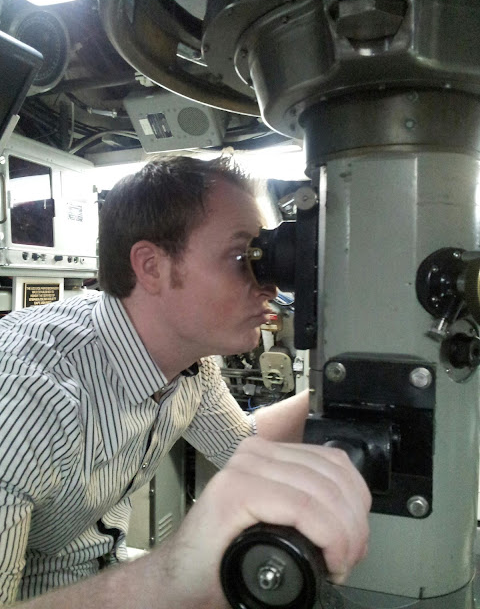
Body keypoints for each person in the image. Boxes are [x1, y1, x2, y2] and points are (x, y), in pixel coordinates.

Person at [0, 155, 371, 607]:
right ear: (151, 266)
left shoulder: (190, 365)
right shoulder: (23, 396)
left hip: (101, 574)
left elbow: (243, 446)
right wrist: (175, 570)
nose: (270, 287)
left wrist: (347, 382)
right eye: (243, 257)